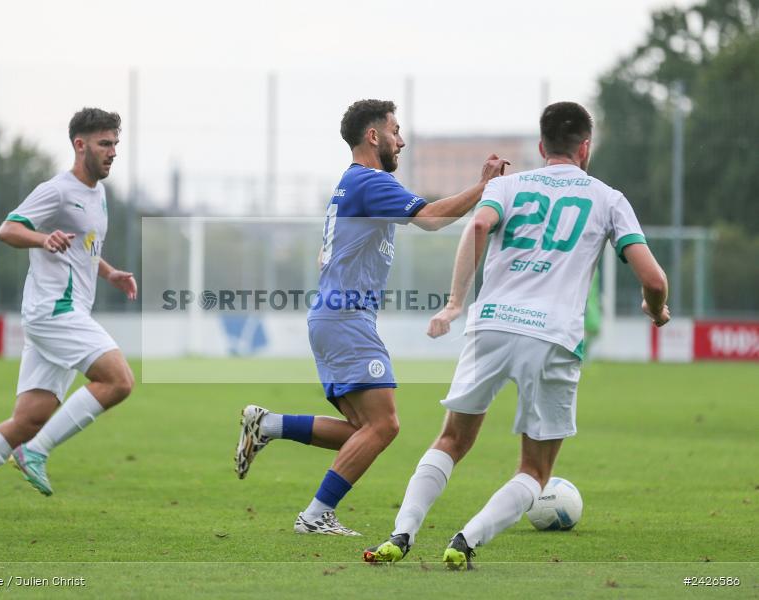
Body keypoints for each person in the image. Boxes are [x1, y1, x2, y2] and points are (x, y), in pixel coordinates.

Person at [363, 102, 670, 568]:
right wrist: (656, 309)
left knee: (452, 440)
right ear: (585, 148)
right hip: (553, 336)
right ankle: (464, 542)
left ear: (542, 147)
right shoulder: (608, 199)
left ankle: (400, 534)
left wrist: (455, 302)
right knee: (535, 469)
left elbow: (479, 225)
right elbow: (653, 279)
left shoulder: (506, 186)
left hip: (491, 324)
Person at [235, 99, 508, 535]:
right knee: (384, 425)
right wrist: (483, 187)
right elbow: (431, 219)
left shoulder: (350, 184)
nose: (401, 140)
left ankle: (269, 425)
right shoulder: (370, 181)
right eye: (396, 131)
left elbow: (332, 254)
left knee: (362, 430)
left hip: (333, 317)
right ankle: (315, 515)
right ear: (373, 135)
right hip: (346, 319)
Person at [0, 108, 137, 512]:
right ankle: (35, 452)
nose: (112, 152)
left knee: (28, 420)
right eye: (105, 144)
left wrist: (108, 273)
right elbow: (8, 229)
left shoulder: (98, 194)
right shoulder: (57, 190)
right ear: (80, 145)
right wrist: (41, 239)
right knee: (119, 380)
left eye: (115, 144)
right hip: (55, 311)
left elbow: (83, 245)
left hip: (61, 314)